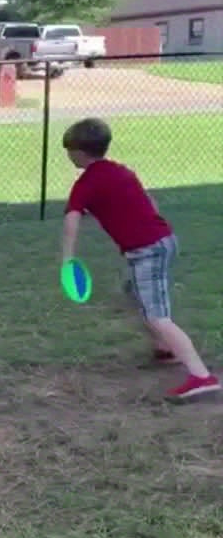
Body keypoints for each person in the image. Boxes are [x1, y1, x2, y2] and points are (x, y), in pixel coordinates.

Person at [59, 117, 220, 402]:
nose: (68, 155)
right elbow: (150, 201)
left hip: (147, 250)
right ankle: (164, 348)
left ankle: (201, 376)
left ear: (79, 153)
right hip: (161, 241)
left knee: (157, 315)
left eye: (69, 151)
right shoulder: (121, 171)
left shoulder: (86, 184)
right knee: (133, 292)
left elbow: (72, 219)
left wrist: (68, 260)